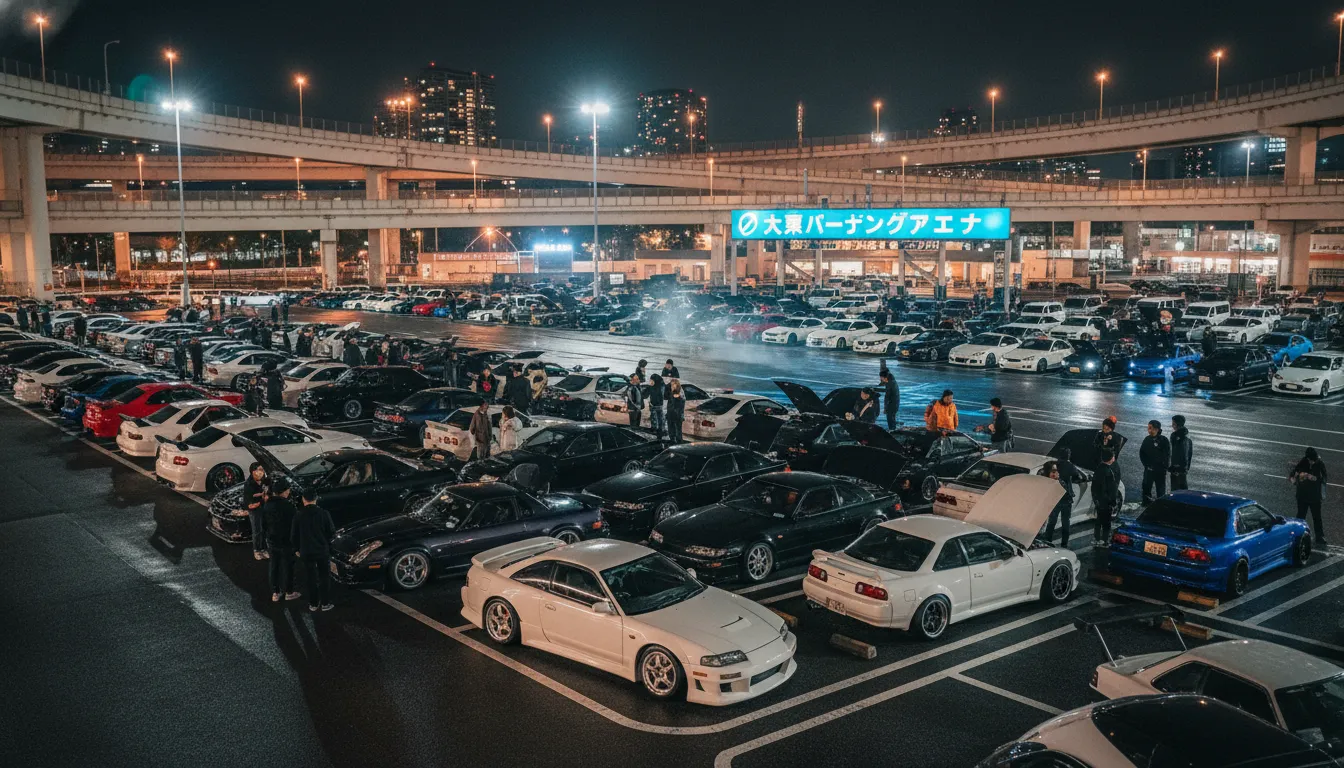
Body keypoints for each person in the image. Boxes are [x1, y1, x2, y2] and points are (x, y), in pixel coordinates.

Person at [291, 487, 336, 612]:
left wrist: (297, 549)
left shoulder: (298, 515)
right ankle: (325, 603)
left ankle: (313, 603)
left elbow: (293, 535)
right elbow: (331, 532)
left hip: (306, 551)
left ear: (303, 499)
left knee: (310, 577)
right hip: (322, 550)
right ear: (316, 499)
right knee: (324, 576)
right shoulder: (324, 513)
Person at [264, 478, 300, 602]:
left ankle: (275, 592)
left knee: (274, 566)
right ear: (284, 491)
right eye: (288, 490)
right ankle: (289, 592)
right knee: (288, 567)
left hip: (272, 541)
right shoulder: (288, 506)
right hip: (286, 542)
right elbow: (295, 525)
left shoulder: (267, 505)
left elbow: (263, 524)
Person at [1292, 448, 1329, 546]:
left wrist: (1314, 478)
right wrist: (1302, 476)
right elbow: (1294, 475)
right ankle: (1297, 534)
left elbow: (1324, 477)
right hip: (1302, 496)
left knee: (1317, 517)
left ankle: (1319, 536)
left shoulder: (1319, 464)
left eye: (1312, 460)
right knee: (1301, 517)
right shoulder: (1303, 462)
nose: (1311, 462)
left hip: (1315, 497)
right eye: (1309, 460)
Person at [1090, 449, 1122, 547]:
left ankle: (1096, 539)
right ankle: (1105, 541)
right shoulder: (1108, 472)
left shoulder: (1098, 469)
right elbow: (1112, 489)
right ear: (1110, 459)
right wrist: (1113, 502)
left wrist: (1096, 499)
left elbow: (1094, 487)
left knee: (1099, 521)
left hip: (1098, 501)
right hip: (1106, 502)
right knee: (1107, 523)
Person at [1139, 420, 1171, 504]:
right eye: (1148, 428)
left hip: (1160, 470)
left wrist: (1164, 467)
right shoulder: (1147, 439)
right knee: (1146, 486)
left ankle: (1160, 504)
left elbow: (1167, 455)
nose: (1149, 430)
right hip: (1149, 469)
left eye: (1150, 428)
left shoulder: (1164, 440)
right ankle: (1146, 502)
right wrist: (1146, 465)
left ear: (1156, 429)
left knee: (1160, 488)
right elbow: (1142, 453)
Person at [1041, 461, 1072, 547]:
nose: (1056, 473)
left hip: (1065, 502)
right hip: (1056, 503)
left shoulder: (1060, 482)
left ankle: (1064, 544)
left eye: (1056, 471)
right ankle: (1048, 542)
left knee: (1065, 523)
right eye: (1053, 471)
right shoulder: (1047, 481)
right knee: (1052, 523)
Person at [244, 462, 269, 561]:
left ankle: (264, 549)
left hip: (263, 508)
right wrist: (262, 498)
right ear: (253, 472)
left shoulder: (263, 480)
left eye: (262, 469)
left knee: (264, 529)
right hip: (254, 510)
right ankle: (257, 550)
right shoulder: (249, 484)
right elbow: (249, 502)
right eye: (260, 469)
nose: (262, 472)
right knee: (257, 530)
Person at [1169, 414, 1192, 491]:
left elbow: (1179, 452)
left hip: (1178, 467)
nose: (1172, 425)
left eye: (1173, 423)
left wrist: (1176, 467)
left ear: (1178, 424)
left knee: (1176, 488)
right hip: (1182, 467)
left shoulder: (1177, 437)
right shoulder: (1186, 435)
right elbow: (1189, 453)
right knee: (1182, 488)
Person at [665, 379, 685, 444]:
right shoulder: (672, 392)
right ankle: (673, 442)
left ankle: (679, 444)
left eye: (674, 384)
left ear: (677, 385)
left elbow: (679, 404)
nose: (672, 386)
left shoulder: (680, 393)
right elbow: (665, 396)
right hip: (670, 414)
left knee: (678, 433)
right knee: (671, 432)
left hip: (677, 416)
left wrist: (677, 396)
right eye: (671, 385)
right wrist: (669, 385)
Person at [647, 373, 666, 439]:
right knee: (655, 419)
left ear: (655, 380)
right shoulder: (653, 387)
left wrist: (653, 404)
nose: (650, 382)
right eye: (650, 380)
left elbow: (660, 398)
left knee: (658, 420)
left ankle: (659, 433)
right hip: (654, 406)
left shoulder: (660, 388)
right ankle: (656, 431)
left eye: (651, 380)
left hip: (657, 406)